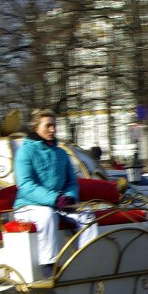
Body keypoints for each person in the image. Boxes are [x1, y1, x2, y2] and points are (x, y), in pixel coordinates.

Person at [13, 109, 99, 277]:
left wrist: (69, 197)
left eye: (54, 126)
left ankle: (86, 260)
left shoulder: (61, 153)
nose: (53, 130)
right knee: (46, 215)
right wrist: (55, 198)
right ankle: (49, 265)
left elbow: (72, 181)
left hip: (58, 204)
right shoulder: (25, 152)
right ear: (36, 127)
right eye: (48, 126)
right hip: (28, 206)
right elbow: (26, 185)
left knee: (87, 215)